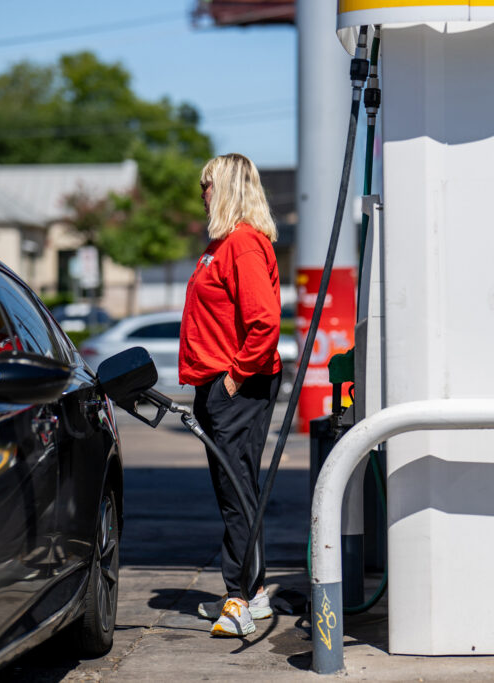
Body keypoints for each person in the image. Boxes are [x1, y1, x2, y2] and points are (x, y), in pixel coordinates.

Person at [179, 153, 283, 637]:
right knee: (238, 491)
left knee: (236, 494)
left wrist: (233, 380)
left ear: (226, 189)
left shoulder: (241, 244)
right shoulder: (224, 245)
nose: (202, 194)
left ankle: (238, 600)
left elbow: (264, 322)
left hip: (236, 387)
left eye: (207, 184)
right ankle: (254, 593)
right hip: (223, 385)